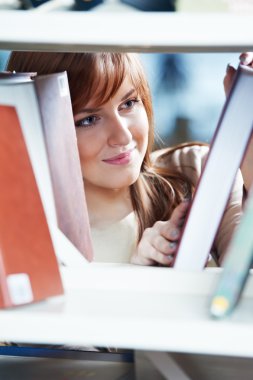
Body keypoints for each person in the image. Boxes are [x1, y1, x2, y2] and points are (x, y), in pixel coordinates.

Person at [6, 51, 253, 267]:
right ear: (38, 124)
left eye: (129, 103)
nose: (122, 135)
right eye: (88, 120)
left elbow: (245, 271)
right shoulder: (30, 238)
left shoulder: (196, 171)